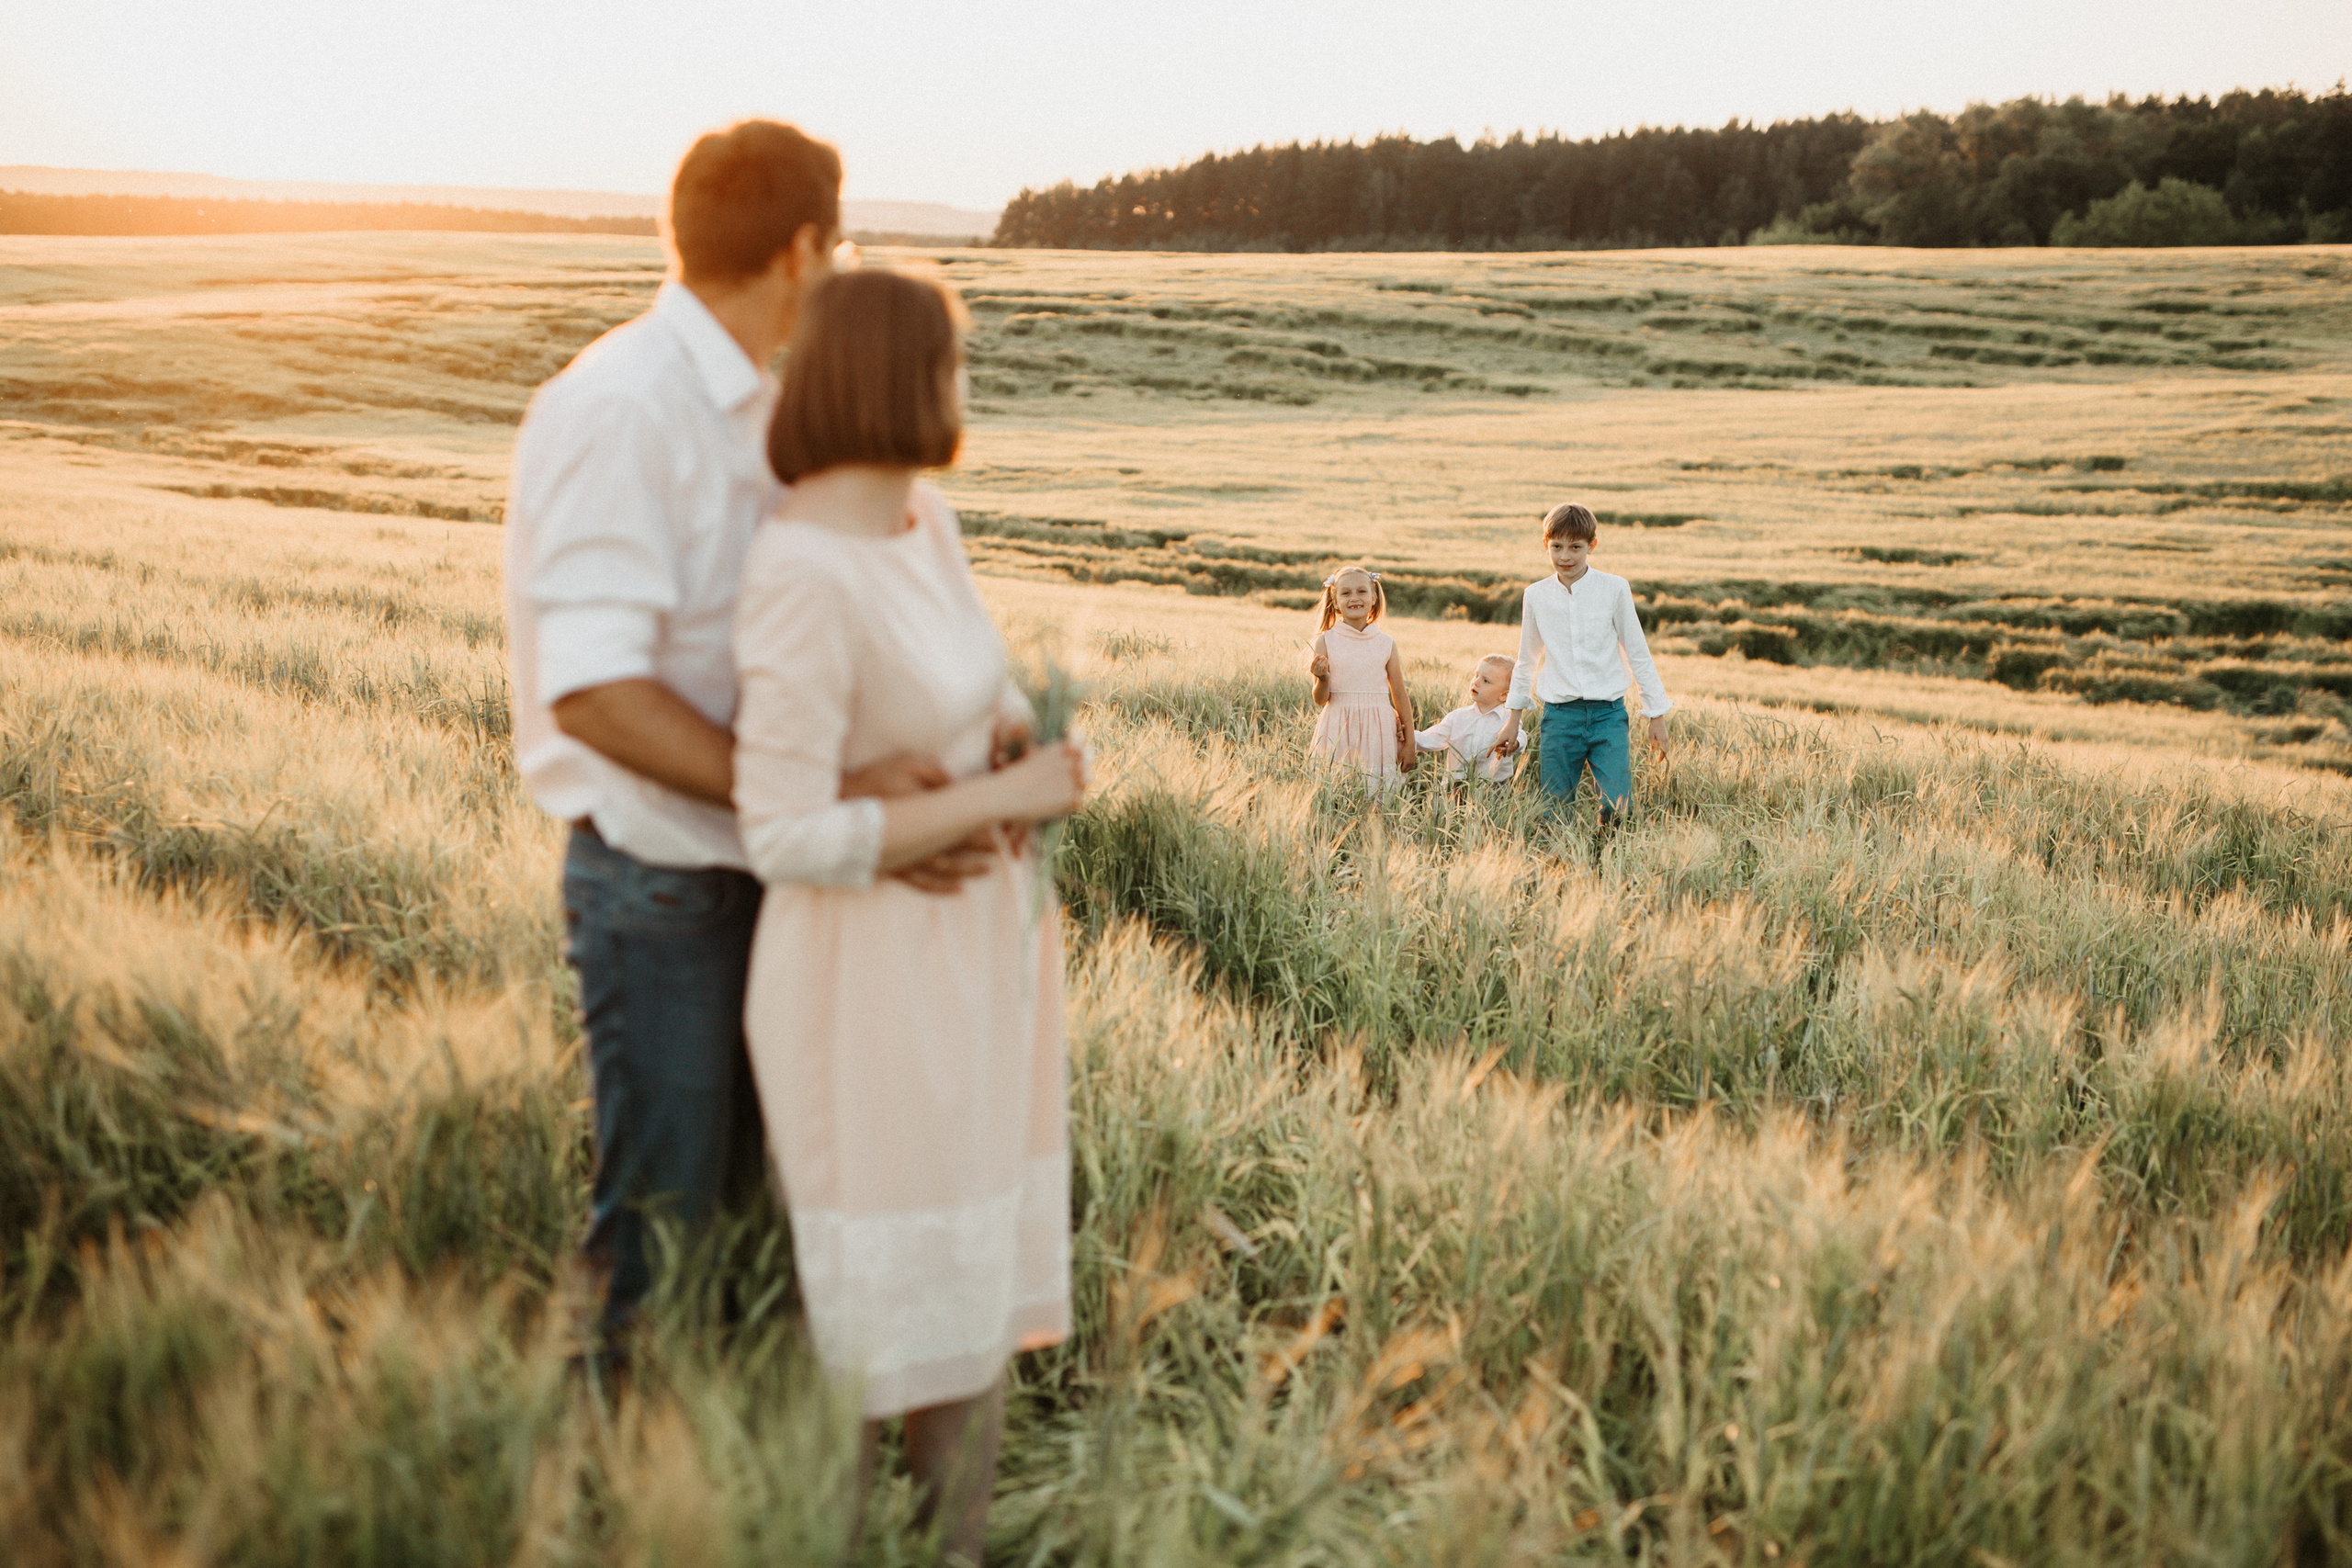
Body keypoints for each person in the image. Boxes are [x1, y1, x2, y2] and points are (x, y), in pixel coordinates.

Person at [503, 120, 986, 1348]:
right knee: (664, 1226)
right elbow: (594, 690)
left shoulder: (769, 403)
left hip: (790, 872)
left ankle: (734, 1482)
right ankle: (618, 1508)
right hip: (666, 880)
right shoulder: (624, 406)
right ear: (806, 246)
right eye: (842, 243)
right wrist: (829, 793)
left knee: (780, 1217)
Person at [731, 266, 1088, 1566]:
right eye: (952, 358)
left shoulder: (919, 521)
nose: (965, 384)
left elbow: (935, 704)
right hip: (864, 979)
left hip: (975, 959)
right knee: (867, 1307)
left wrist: (995, 740)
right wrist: (1009, 789)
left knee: (968, 1288)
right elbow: (780, 829)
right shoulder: (800, 570)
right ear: (893, 374)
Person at [1493, 503, 1672, 824]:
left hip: (1609, 716)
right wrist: (1513, 720)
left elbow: (1637, 652)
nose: (1565, 556)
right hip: (1560, 718)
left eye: (1575, 547)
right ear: (1545, 545)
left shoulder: (1615, 588)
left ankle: (1607, 862)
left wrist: (1655, 714)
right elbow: (1527, 659)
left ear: (1592, 546)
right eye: (1556, 546)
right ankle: (1561, 867)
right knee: (1553, 808)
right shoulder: (1536, 595)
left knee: (1619, 806)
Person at [1306, 565, 1416, 789]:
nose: (1354, 598)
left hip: (1379, 730)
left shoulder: (1386, 643)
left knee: (1376, 797)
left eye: (1361, 591)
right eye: (1345, 593)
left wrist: (1410, 742)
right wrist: (1323, 679)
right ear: (1335, 602)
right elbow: (1320, 699)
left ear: (1374, 597)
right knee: (1337, 792)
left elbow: (1400, 694)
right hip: (1337, 729)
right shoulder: (1326, 641)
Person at [1413, 654, 1521, 784]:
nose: (1475, 682)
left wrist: (1515, 744)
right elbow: (1433, 739)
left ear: (1504, 695)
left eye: (1485, 681)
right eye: (1476, 675)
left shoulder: (1509, 720)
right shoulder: (1457, 717)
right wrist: (1408, 737)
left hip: (1493, 787)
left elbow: (1520, 736)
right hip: (1455, 786)